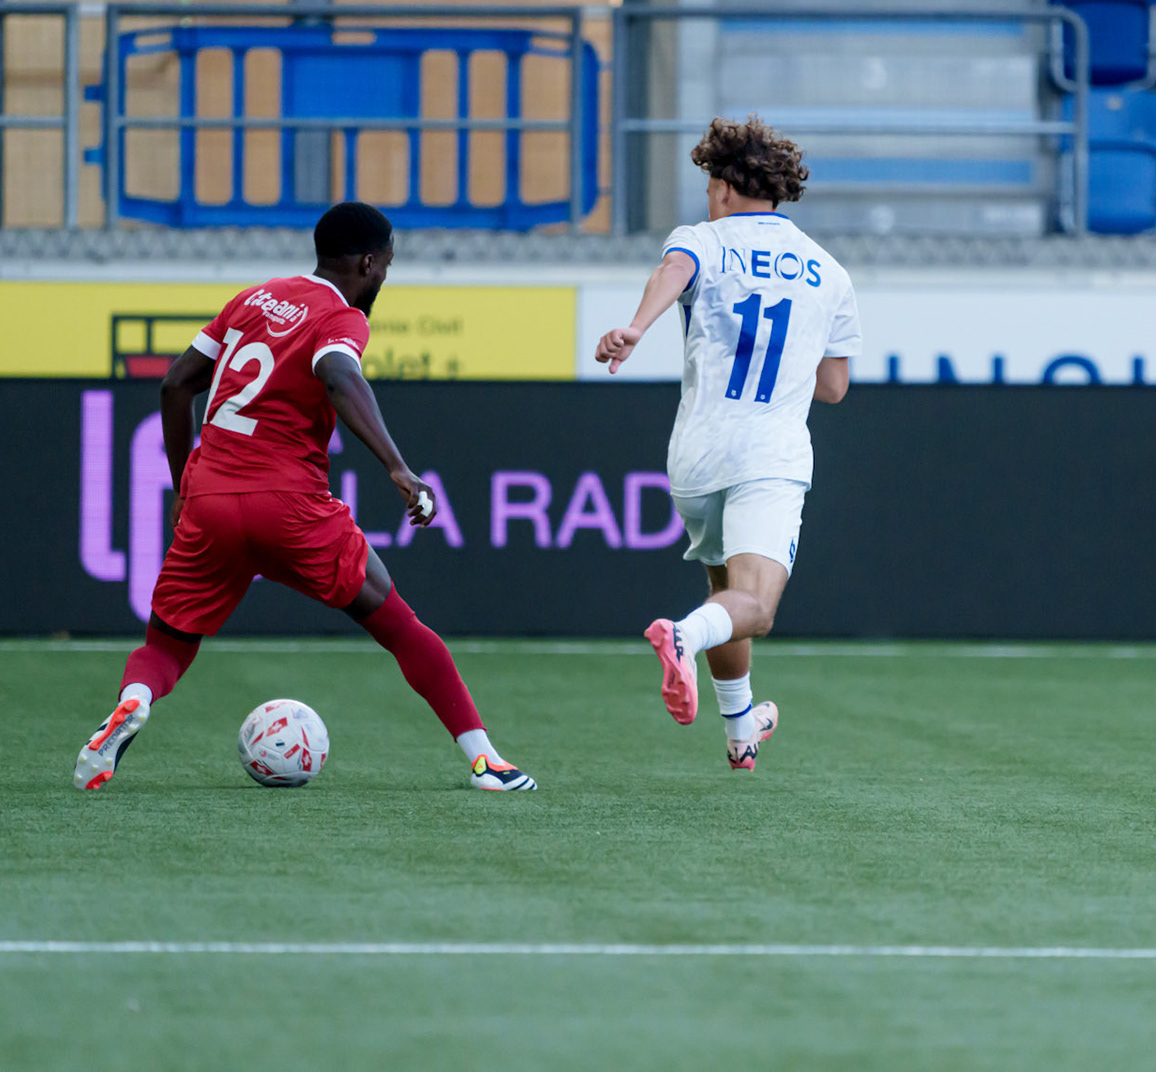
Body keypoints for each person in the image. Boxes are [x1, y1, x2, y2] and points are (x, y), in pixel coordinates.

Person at [74, 202, 534, 792]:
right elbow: (340, 375)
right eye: (387, 265)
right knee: (400, 626)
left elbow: (175, 383)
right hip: (289, 506)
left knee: (165, 643)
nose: (384, 276)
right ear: (368, 263)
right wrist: (398, 467)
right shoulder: (342, 317)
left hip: (211, 501)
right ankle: (486, 761)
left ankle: (134, 700)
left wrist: (185, 482)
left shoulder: (253, 299)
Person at [594, 117, 860, 770]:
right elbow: (833, 387)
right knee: (756, 608)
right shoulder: (829, 272)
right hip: (768, 457)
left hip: (695, 457)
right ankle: (682, 636)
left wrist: (637, 327)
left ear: (723, 187)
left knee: (726, 592)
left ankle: (741, 729)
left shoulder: (703, 241)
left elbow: (674, 271)